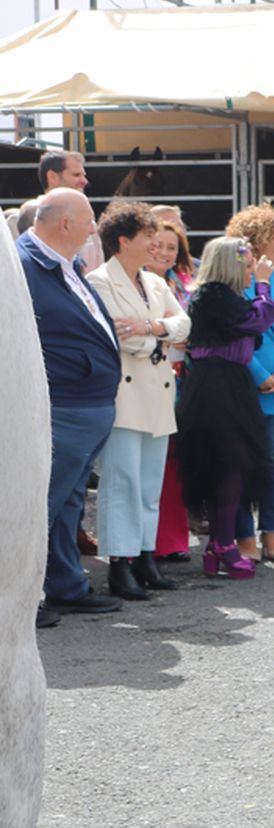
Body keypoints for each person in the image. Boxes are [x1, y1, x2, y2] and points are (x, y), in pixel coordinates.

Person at [18, 188, 124, 624]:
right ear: (65, 224)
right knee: (38, 506)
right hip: (61, 407)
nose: (94, 227)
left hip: (87, 405)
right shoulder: (24, 267)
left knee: (67, 505)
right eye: (88, 219)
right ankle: (22, 601)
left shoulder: (64, 264)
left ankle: (65, 586)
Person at [85, 201, 190, 599]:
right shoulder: (99, 281)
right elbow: (116, 335)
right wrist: (159, 337)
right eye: (147, 235)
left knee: (149, 484)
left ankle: (145, 555)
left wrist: (152, 327)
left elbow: (184, 324)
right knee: (122, 482)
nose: (155, 242)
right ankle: (120, 564)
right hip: (125, 396)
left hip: (159, 394)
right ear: (123, 240)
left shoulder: (156, 282)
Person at [176, 237, 274, 579]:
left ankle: (219, 544)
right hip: (215, 386)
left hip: (232, 383)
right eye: (248, 262)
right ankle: (223, 543)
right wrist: (264, 284)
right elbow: (258, 320)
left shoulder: (227, 297)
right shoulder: (211, 294)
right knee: (229, 463)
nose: (252, 267)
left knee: (234, 466)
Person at [224, 203, 274, 562]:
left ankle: (271, 533)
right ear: (255, 241)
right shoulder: (235, 281)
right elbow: (234, 335)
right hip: (244, 385)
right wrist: (258, 375)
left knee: (273, 462)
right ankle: (244, 537)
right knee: (240, 463)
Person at [152, 221, 199, 563]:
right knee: (152, 464)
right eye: (158, 245)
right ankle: (146, 541)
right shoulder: (133, 283)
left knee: (176, 462)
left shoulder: (185, 285)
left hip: (185, 380)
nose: (165, 253)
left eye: (173, 247)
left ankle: (172, 538)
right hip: (150, 378)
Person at [37, 150, 102, 272]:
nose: (84, 181)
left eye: (84, 175)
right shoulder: (25, 218)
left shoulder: (91, 225)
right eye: (76, 175)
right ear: (52, 177)